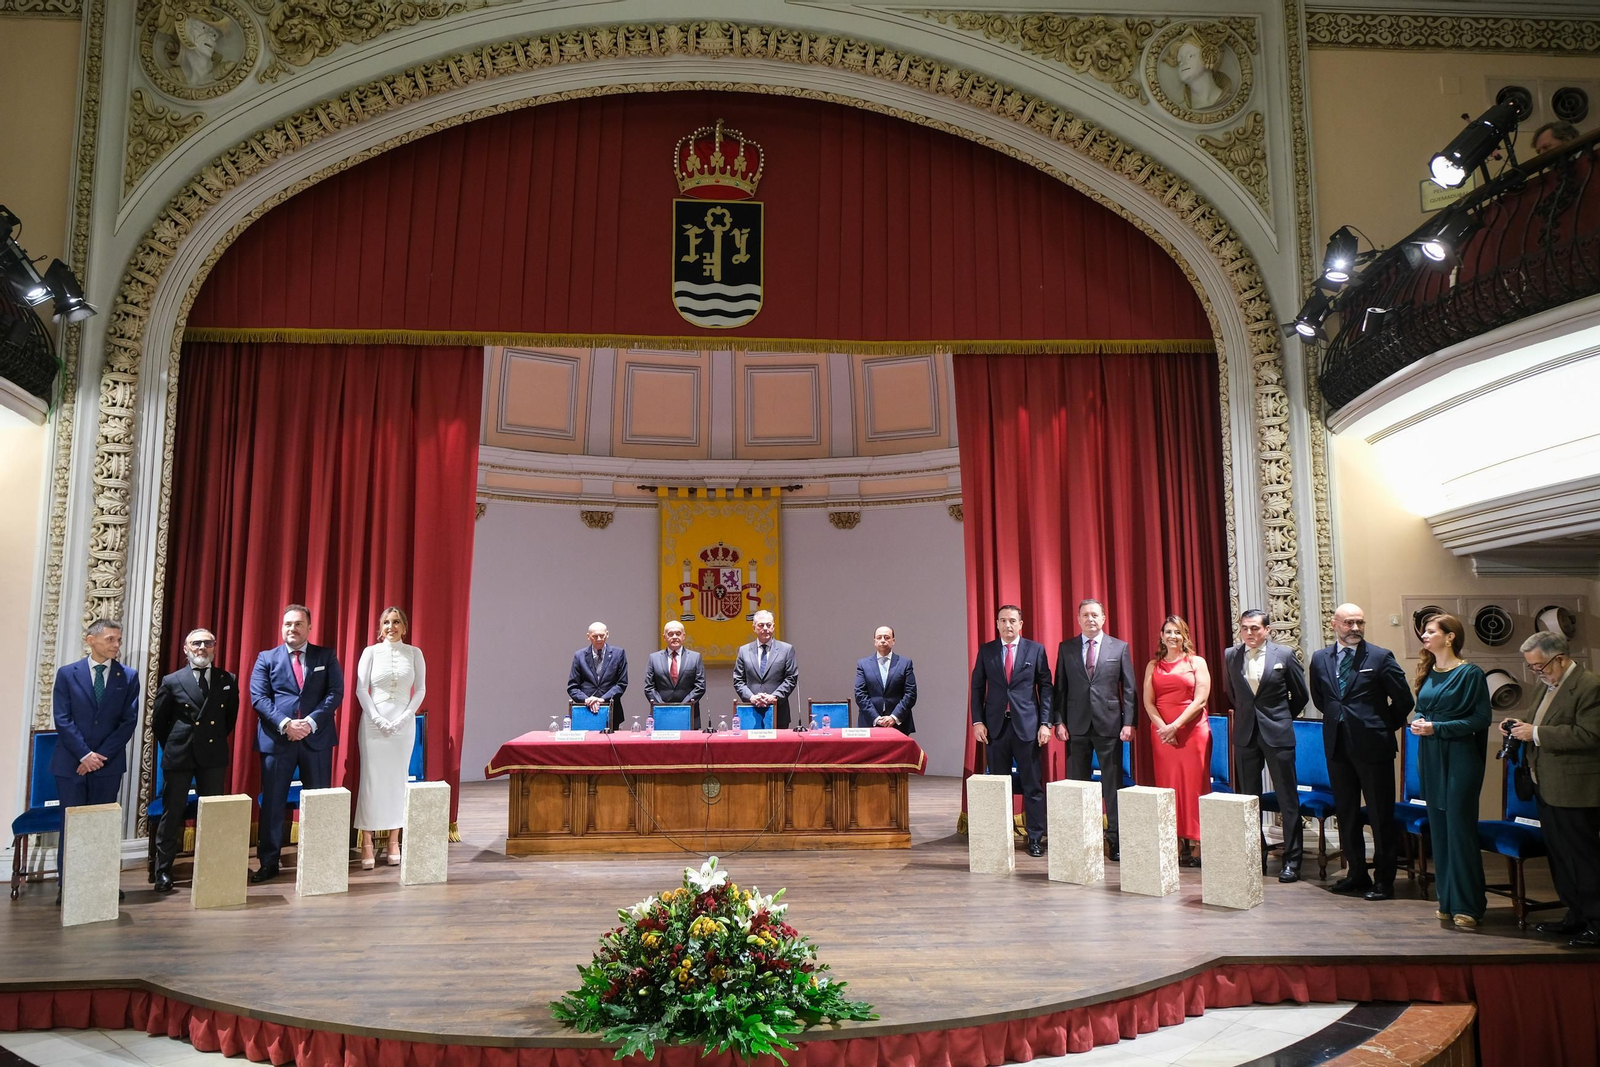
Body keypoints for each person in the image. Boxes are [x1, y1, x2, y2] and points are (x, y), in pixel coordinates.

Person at [1309, 604, 1413, 901]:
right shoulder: (1319, 659)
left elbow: (1404, 700)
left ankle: (1384, 880)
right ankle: (1356, 873)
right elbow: (1322, 699)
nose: (1355, 628)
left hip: (1374, 747)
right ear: (1334, 624)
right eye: (1349, 623)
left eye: (1360, 622)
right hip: (1337, 745)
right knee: (1347, 812)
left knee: (1380, 815)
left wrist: (1381, 727)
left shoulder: (1380, 657)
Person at [1504, 631, 1600, 947]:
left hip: (1576, 788)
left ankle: (1597, 922)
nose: (1536, 672)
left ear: (1559, 658)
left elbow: (1591, 735)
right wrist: (1519, 726)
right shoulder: (1547, 685)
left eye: (1539, 666)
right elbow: (1539, 725)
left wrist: (1537, 733)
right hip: (1546, 784)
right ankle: (1575, 915)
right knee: (1559, 856)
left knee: (1582, 857)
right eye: (1532, 668)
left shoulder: (1589, 686)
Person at [250, 603, 345, 883]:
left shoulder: (326, 656)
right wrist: (286, 725)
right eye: (288, 624)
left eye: (298, 624)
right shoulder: (266, 658)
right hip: (277, 741)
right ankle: (268, 862)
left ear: (309, 627)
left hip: (316, 739)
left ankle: (319, 859)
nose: (292, 628)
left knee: (318, 803)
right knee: (273, 804)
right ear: (282, 627)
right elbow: (259, 698)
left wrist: (310, 723)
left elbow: (335, 692)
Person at [1409, 613, 1490, 928]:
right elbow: (1423, 708)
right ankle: (1448, 900)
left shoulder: (1470, 673)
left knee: (1459, 831)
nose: (1425, 637)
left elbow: (1480, 719)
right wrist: (1419, 722)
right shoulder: (1430, 671)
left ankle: (1469, 904)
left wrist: (1436, 727)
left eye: (1430, 632)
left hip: (1459, 758)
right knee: (1440, 833)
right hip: (1430, 756)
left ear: (1450, 636)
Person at [51, 619, 140, 902]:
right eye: (110, 639)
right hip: (71, 764)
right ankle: (69, 886)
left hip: (107, 765)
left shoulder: (128, 676)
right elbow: (62, 719)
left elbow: (128, 722)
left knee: (102, 825)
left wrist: (99, 757)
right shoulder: (68, 674)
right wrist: (83, 754)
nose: (116, 645)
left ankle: (102, 884)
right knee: (73, 826)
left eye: (118, 640)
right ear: (91, 640)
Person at [1223, 609, 1310, 882]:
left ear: (1267, 630)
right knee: (1249, 799)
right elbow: (1231, 692)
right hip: (1246, 734)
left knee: (1287, 798)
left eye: (1255, 628)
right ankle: (1254, 856)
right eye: (1245, 628)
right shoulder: (1231, 655)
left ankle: (1292, 861)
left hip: (1278, 733)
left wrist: (1280, 718)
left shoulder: (1283, 655)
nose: (1249, 633)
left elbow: (1300, 695)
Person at [149, 627, 238, 893]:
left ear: (214, 648)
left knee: (212, 814)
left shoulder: (227, 678)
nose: (202, 648)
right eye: (196, 643)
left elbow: (229, 719)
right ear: (186, 649)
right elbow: (159, 723)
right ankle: (163, 870)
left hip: (212, 755)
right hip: (180, 754)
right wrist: (176, 744)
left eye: (208, 643)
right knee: (172, 813)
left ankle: (211, 866)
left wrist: (210, 738)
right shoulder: (172, 680)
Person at [1053, 599, 1137, 860]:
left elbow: (1130, 689)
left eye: (1095, 615)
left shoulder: (1119, 647)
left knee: (1112, 785)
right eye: (1085, 615)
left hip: (1109, 725)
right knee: (1078, 784)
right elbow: (1060, 688)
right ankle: (1081, 836)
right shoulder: (1066, 647)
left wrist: (1129, 722)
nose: (1090, 619)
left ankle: (1115, 839)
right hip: (1075, 726)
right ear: (1078, 619)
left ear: (1103, 618)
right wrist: (1058, 721)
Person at [970, 604, 1053, 857]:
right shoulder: (987, 651)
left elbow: (1046, 687)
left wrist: (1045, 723)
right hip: (995, 728)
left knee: (1032, 786)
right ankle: (999, 835)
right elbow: (976, 688)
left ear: (1021, 624)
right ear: (997, 624)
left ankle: (1036, 838)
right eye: (1003, 621)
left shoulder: (1035, 650)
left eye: (1012, 620)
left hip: (1027, 728)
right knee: (998, 785)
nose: (1008, 625)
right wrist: (977, 721)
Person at [353, 607, 426, 870]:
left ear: (404, 627)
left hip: (403, 726)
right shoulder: (370, 653)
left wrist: (407, 717)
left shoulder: (414, 653)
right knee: (371, 780)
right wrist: (377, 718)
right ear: (380, 627)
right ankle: (367, 842)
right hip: (374, 725)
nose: (391, 626)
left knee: (398, 780)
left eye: (396, 622)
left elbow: (421, 689)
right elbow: (361, 689)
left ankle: (394, 839)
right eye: (386, 622)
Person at [1142, 615, 1212, 867]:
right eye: (1168, 632)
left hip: (1192, 731)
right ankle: (1175, 839)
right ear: (1161, 636)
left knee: (1195, 785)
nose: (1172, 636)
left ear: (1185, 636)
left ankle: (1199, 841)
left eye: (1177, 632)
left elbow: (1201, 700)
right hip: (1162, 734)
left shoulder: (1196, 662)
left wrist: (1176, 726)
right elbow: (1148, 702)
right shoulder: (1153, 665)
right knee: (1168, 786)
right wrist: (1164, 728)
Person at [733, 610, 799, 728]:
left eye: (769, 625)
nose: (765, 628)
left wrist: (774, 697)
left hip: (779, 711)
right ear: (754, 628)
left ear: (773, 627)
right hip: (751, 711)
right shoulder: (744, 651)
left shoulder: (786, 650)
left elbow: (791, 678)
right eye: (761, 625)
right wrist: (751, 697)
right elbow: (738, 680)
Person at [853, 626, 917, 733]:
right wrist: (876, 718)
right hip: (870, 723)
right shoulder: (863, 664)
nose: (883, 640)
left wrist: (894, 717)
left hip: (899, 724)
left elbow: (910, 694)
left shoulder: (905, 663)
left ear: (893, 641)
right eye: (879, 637)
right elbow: (860, 694)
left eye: (887, 637)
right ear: (874, 641)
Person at [644, 621, 706, 727]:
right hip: (661, 713)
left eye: (678, 633)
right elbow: (649, 687)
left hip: (689, 713)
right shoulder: (654, 658)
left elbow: (700, 686)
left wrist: (682, 706)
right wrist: (662, 706)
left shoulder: (695, 657)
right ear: (664, 637)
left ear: (684, 636)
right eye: (670, 634)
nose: (674, 637)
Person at [566, 621, 628, 730]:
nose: (599, 639)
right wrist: (587, 700)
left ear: (607, 634)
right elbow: (572, 687)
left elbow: (621, 684)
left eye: (602, 635)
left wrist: (602, 699)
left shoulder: (619, 654)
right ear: (588, 637)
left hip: (612, 711)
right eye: (595, 636)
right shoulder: (579, 656)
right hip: (586, 711)